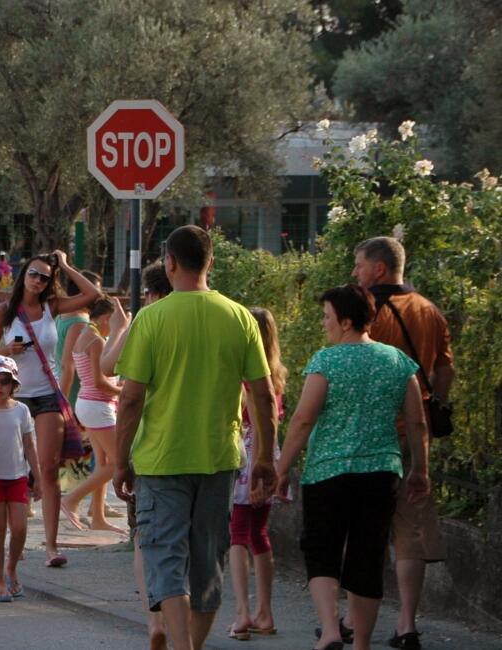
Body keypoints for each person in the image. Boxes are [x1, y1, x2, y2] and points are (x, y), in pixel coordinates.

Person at [113, 225, 278, 650]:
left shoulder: (152, 317)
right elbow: (262, 393)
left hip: (161, 460)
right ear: (211, 263)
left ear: (169, 263)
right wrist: (264, 458)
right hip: (219, 460)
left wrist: (120, 460)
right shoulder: (239, 316)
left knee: (165, 557)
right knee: (209, 563)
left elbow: (130, 400)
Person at [276, 284, 430, 650]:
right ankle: (361, 642)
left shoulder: (326, 362)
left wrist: (281, 469)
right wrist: (419, 469)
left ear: (345, 321)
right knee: (368, 555)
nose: (323, 323)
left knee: (322, 550)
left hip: (327, 473)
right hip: (380, 474)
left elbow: (302, 421)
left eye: (327, 316)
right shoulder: (397, 362)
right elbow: (417, 421)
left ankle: (330, 630)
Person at [339, 236, 453, 650]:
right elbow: (443, 368)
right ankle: (407, 624)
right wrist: (432, 406)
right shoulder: (429, 310)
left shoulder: (364, 310)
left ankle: (352, 618)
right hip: (413, 431)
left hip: (367, 433)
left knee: (361, 526)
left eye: (359, 263)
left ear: (379, 269)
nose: (355, 271)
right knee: (411, 529)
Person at [0, 250, 101, 568]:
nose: (38, 281)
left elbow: (93, 294)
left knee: (48, 469)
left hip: (48, 396)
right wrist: (8, 350)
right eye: (34, 274)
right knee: (15, 470)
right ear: (24, 275)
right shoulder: (4, 311)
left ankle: (50, 546)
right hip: (14, 395)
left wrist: (65, 266)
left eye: (45, 277)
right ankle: (16, 541)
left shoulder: (53, 307)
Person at [102, 260, 172, 650]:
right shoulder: (203, 315)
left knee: (146, 539)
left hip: (150, 448)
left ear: (149, 292)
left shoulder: (147, 321)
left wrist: (120, 329)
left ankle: (154, 618)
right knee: (186, 545)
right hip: (201, 451)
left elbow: (108, 367)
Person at [227, 307, 287, 641]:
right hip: (269, 453)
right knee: (259, 534)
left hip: (248, 455)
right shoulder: (275, 373)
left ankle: (242, 613)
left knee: (237, 533)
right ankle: (265, 611)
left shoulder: (244, 374)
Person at [0, 355, 43, 602]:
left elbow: (29, 445)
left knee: (20, 527)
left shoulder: (22, 410)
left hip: (17, 476)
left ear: (13, 384)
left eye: (4, 381)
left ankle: (11, 566)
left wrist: (38, 477)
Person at [59, 296, 125, 535]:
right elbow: (99, 381)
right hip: (97, 406)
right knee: (119, 462)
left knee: (103, 463)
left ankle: (97, 516)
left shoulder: (89, 334)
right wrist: (123, 391)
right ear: (106, 319)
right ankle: (72, 500)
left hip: (91, 405)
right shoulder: (95, 340)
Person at [56, 269, 107, 520]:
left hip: (78, 394)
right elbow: (68, 364)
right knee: (96, 455)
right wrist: (63, 402)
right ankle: (81, 504)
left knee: (93, 454)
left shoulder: (63, 317)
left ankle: (96, 507)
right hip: (80, 394)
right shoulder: (81, 323)